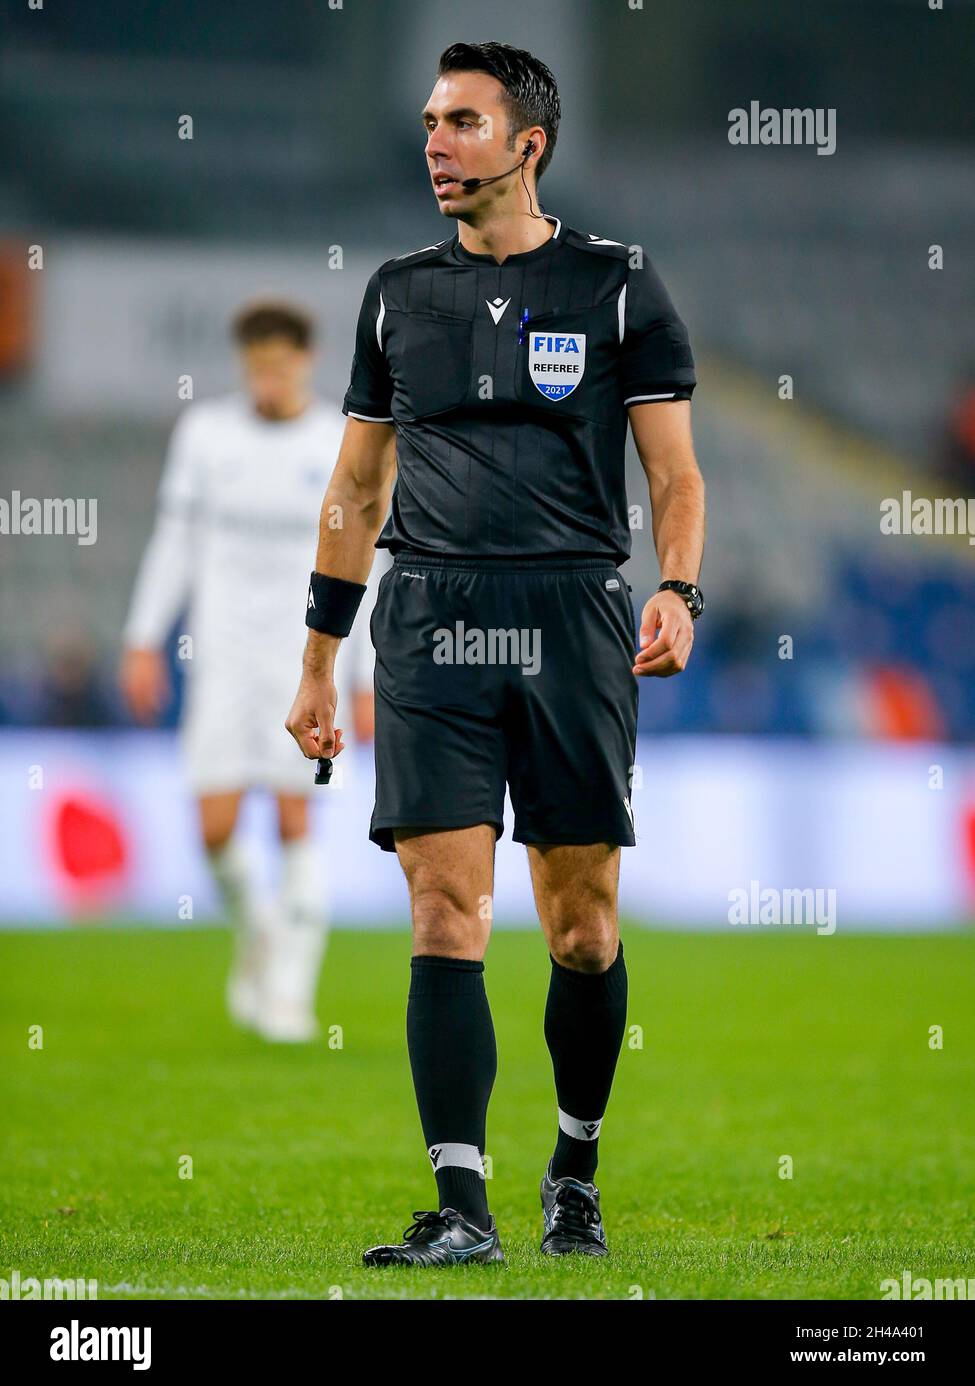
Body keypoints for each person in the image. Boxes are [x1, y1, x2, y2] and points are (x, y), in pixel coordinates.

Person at [286, 42, 706, 1262]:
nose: (436, 141)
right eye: (429, 120)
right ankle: (460, 1206)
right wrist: (318, 655)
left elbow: (674, 472)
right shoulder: (394, 293)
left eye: (462, 121)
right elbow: (358, 487)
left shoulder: (618, 286)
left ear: (527, 143)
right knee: (443, 906)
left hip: (573, 612)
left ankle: (571, 1167)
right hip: (430, 618)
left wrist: (677, 586)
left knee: (581, 925)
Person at [123, 301, 380, 1042]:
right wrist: (144, 638)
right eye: (256, 365)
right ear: (244, 364)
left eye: (280, 364)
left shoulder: (338, 438)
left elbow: (363, 567)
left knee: (296, 821)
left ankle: (290, 996)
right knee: (213, 830)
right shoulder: (205, 434)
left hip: (306, 663)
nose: (268, 378)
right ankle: (261, 934)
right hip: (220, 659)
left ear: (304, 361)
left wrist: (361, 683)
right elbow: (174, 542)